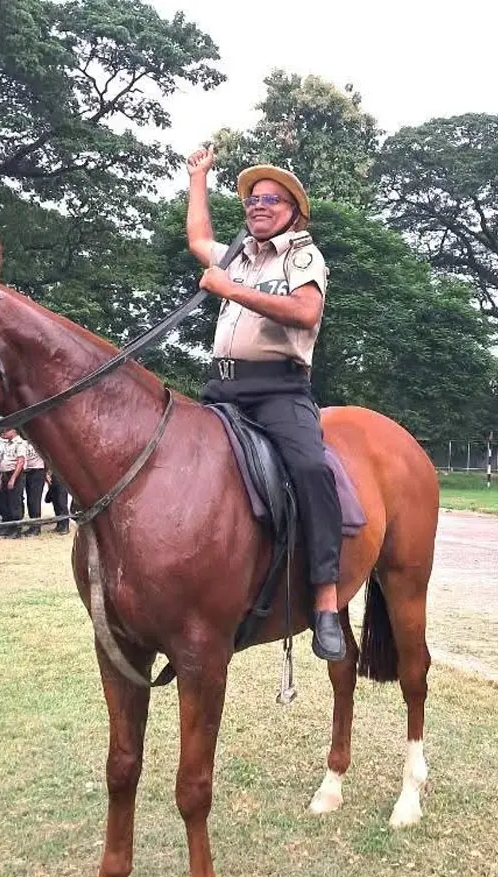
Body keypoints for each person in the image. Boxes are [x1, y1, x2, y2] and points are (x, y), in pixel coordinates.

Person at [186, 145, 345, 661]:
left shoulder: (302, 255)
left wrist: (230, 290)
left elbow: (304, 311)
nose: (258, 205)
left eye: (270, 199)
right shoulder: (238, 253)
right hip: (222, 386)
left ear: (293, 211)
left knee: (309, 467)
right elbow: (196, 240)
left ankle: (325, 598)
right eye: (252, 199)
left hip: (279, 389)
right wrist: (198, 178)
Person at [0, 428, 26, 538]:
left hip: (15, 474)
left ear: (14, 431)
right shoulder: (7, 444)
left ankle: (16, 529)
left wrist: (13, 478)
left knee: (15, 502)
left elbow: (20, 462)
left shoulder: (20, 443)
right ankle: (8, 527)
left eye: (7, 430)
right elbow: (4, 461)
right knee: (5, 502)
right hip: (5, 474)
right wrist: (1, 477)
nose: (4, 433)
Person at [24, 440, 46, 536]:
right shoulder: (24, 443)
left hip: (37, 472)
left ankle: (36, 527)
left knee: (35, 500)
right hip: (27, 472)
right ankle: (32, 525)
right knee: (30, 501)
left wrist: (47, 474)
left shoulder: (40, 443)